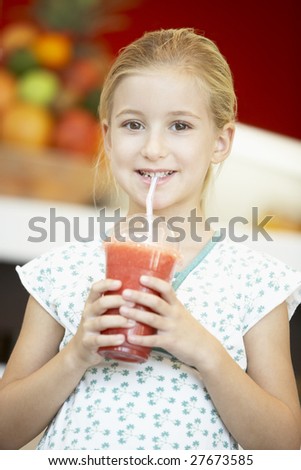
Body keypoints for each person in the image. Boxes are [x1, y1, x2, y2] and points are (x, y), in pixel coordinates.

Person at [0, 28, 300, 451]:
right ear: (106, 136)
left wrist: (206, 352)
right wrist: (76, 355)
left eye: (179, 125)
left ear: (220, 141)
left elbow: (286, 448)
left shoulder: (255, 283)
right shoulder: (61, 271)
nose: (153, 148)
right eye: (133, 124)